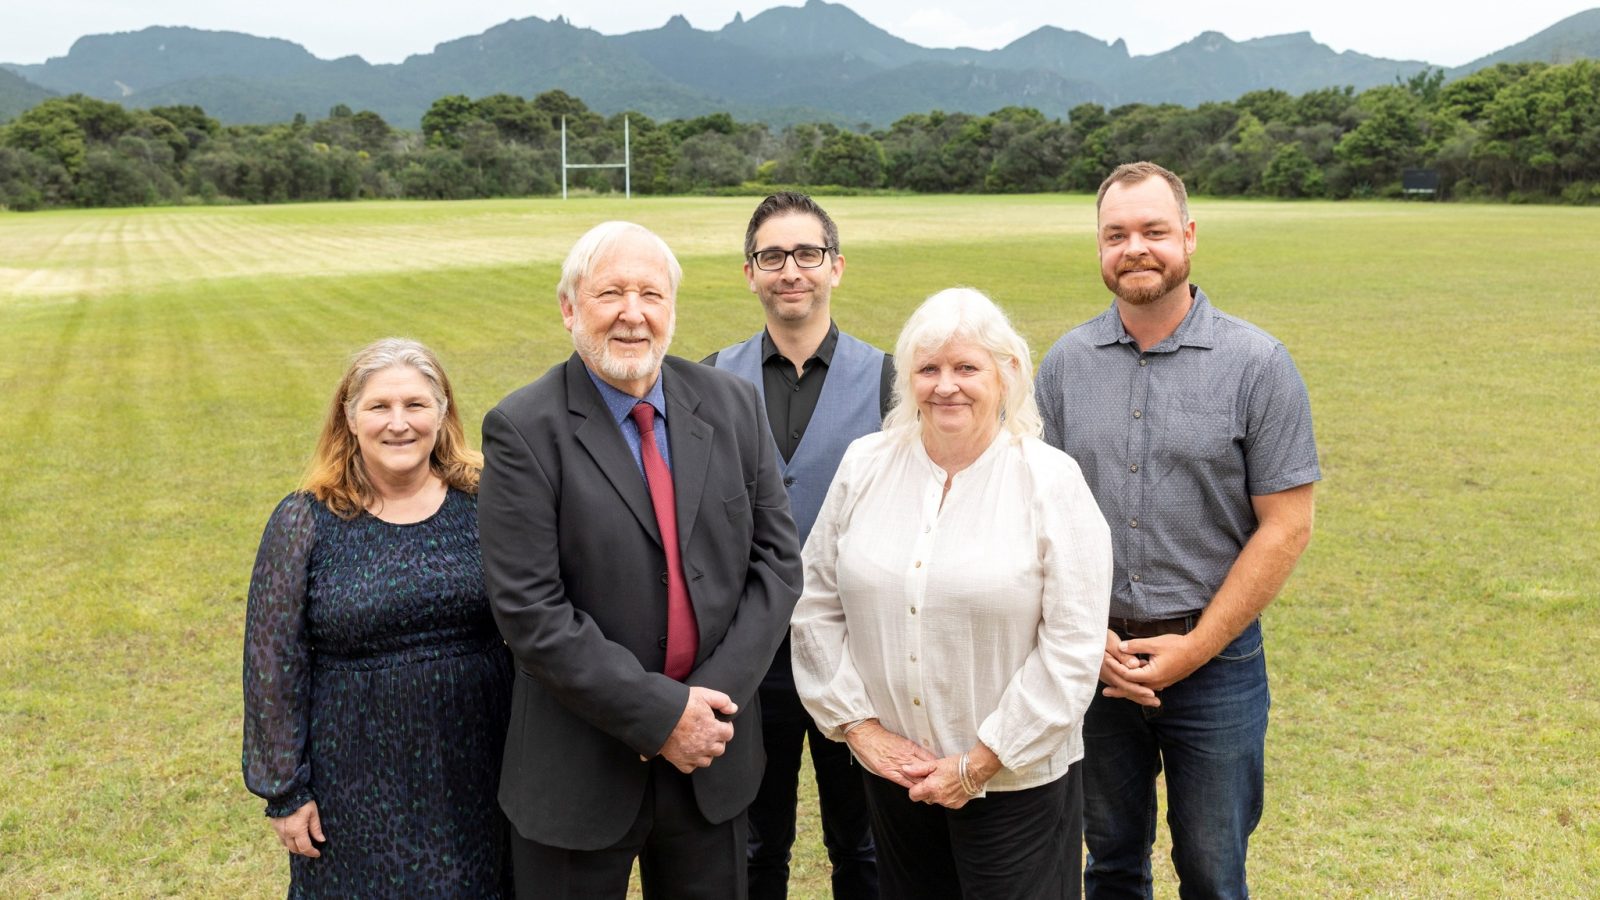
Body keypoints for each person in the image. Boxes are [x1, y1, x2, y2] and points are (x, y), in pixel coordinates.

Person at [477, 221, 805, 899]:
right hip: (580, 772)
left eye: (651, 294)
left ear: (672, 310)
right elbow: (530, 613)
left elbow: (777, 565)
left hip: (711, 766)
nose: (633, 313)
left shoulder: (731, 404)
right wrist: (662, 717)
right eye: (610, 294)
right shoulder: (522, 429)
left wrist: (704, 712)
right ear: (570, 308)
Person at [1034, 161, 1320, 898]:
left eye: (1155, 231)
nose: (1136, 248)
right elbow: (1039, 518)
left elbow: (1286, 527)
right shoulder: (1064, 366)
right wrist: (1084, 635)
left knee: (1213, 872)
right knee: (1111, 864)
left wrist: (1196, 647)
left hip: (1215, 663)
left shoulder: (1258, 365)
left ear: (1188, 236)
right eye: (1117, 234)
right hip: (1092, 661)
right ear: (1098, 248)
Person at [791, 288, 1113, 900]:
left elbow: (1073, 645)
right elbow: (814, 602)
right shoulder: (865, 464)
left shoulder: (1051, 480)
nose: (946, 386)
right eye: (928, 368)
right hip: (894, 778)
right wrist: (860, 729)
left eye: (967, 367)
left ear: (1007, 374)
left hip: (1015, 783)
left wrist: (979, 764)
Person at [242, 337, 513, 897]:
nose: (399, 423)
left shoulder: (487, 500)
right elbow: (272, 663)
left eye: (415, 405)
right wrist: (285, 793)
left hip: (482, 756)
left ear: (442, 412)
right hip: (356, 772)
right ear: (349, 416)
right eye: (379, 406)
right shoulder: (306, 520)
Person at [703, 191, 889, 900]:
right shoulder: (707, 378)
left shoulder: (890, 379)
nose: (791, 270)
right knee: (752, 846)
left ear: (835, 267)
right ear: (748, 272)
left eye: (807, 254)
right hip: (746, 655)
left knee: (864, 843)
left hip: (856, 652)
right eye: (772, 256)